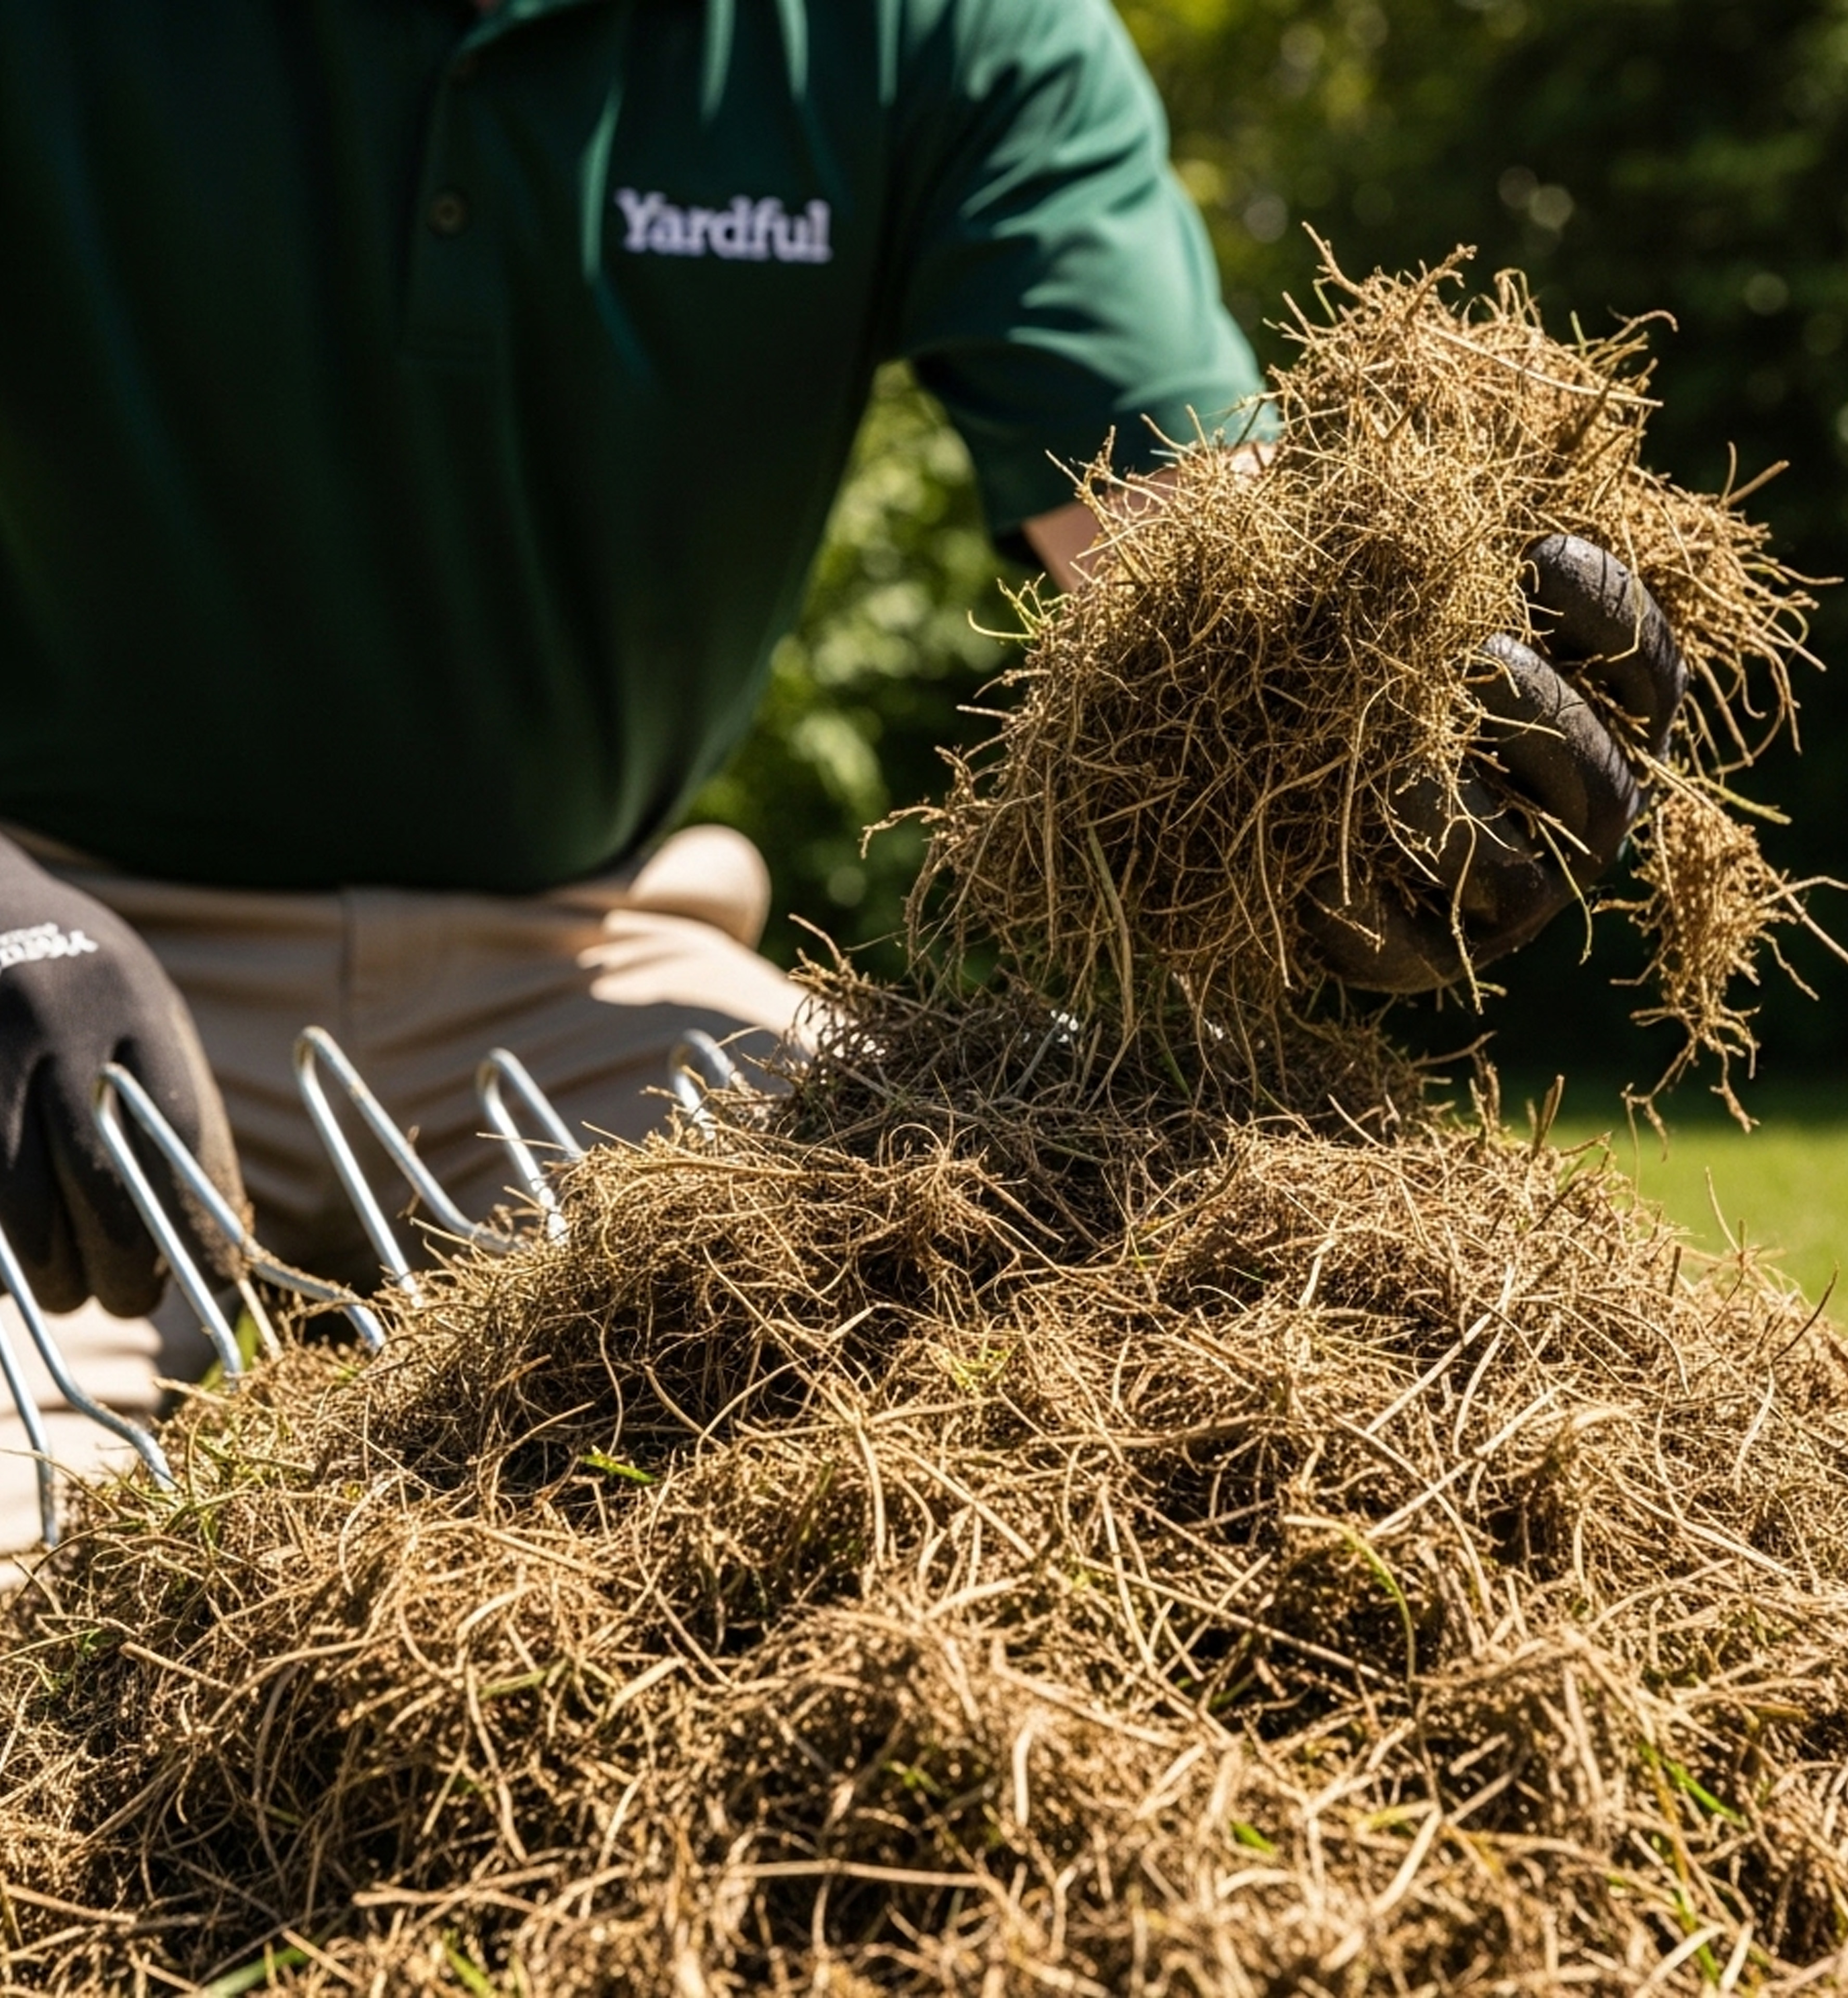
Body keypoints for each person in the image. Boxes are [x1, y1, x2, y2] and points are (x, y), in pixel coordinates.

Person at [0, 0, 1676, 1555]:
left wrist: (1336, 700)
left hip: (568, 978)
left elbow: (1180, 538)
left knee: (1015, 1423)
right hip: (57, 963)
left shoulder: (930, 27)